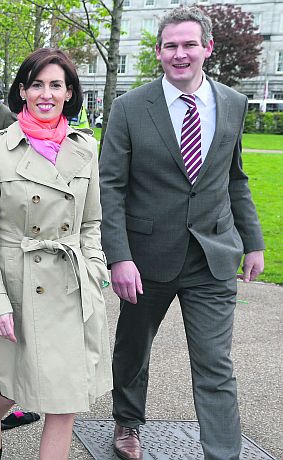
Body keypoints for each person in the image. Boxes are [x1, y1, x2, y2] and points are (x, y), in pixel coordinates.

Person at [99, 7, 265, 460]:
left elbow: (235, 177)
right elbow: (110, 186)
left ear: (207, 48)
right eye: (170, 45)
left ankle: (222, 453)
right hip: (145, 258)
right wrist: (119, 256)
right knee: (133, 351)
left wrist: (253, 241)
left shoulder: (233, 103)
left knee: (215, 363)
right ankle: (127, 423)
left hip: (211, 255)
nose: (180, 54)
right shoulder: (129, 108)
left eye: (189, 44)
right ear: (158, 52)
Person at [0, 47, 112, 460]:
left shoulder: (86, 149)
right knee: (12, 388)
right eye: (37, 85)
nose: (46, 94)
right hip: (19, 288)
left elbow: (90, 223)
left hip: (72, 288)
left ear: (69, 93)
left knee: (64, 403)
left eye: (56, 85)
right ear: (23, 92)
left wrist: (96, 270)